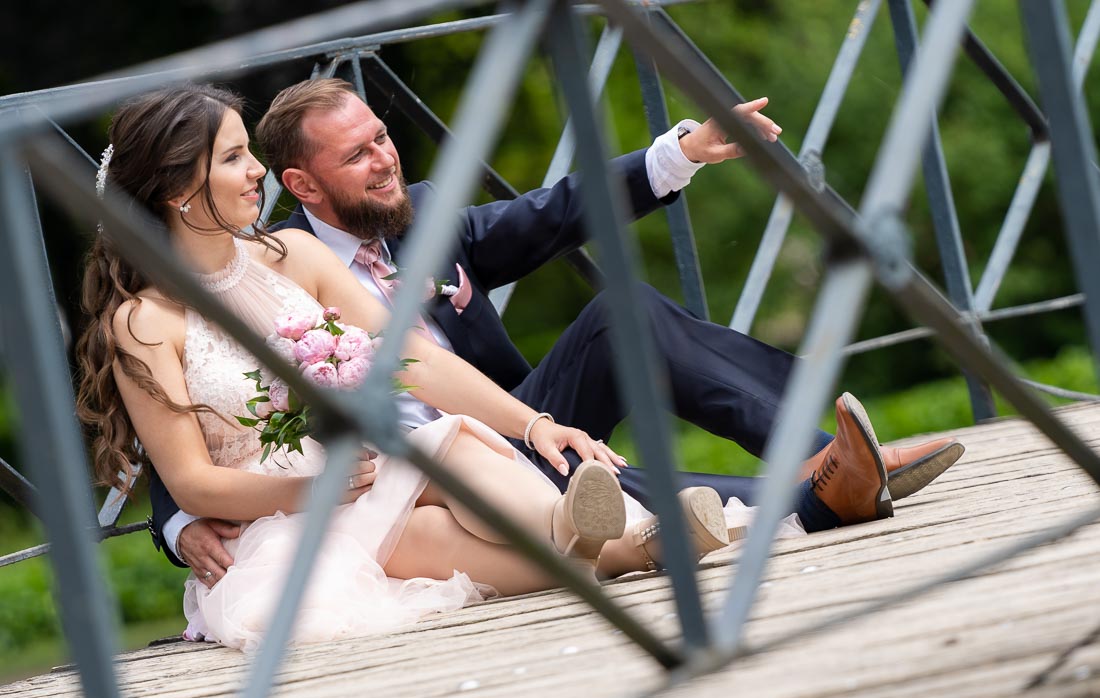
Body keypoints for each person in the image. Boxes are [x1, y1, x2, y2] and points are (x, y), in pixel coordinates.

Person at [153, 78, 963, 579]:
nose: (386, 159)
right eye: (358, 155)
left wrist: (682, 151)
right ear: (302, 184)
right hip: (399, 481)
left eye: (383, 138)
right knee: (553, 465)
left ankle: (818, 460)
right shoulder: (274, 265)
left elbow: (555, 212)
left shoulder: (428, 217)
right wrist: (182, 523)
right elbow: (199, 388)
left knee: (623, 315)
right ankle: (822, 497)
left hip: (510, 424)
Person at [77, 84, 753, 650]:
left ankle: (593, 532)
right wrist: (313, 491)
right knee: (426, 532)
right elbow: (193, 479)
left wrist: (537, 422)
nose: (257, 169)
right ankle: (637, 544)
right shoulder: (142, 324)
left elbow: (414, 362)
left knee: (451, 440)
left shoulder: (295, 257)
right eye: (234, 157)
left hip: (363, 467)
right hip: (277, 516)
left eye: (250, 151)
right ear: (179, 191)